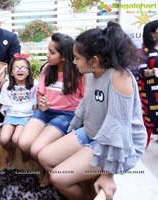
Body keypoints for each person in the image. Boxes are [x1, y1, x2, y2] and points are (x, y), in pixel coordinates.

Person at [38, 22, 147, 200]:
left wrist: (108, 174)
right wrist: (71, 129)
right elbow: (86, 103)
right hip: (92, 131)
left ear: (94, 60)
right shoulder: (90, 72)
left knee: (58, 177)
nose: (73, 62)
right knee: (44, 157)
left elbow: (117, 127)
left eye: (77, 58)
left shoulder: (119, 78)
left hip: (120, 142)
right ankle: (83, 186)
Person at [17, 33, 84, 186]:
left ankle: (49, 171)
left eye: (52, 52)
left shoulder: (77, 73)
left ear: (64, 57)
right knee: (23, 143)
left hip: (67, 115)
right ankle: (44, 165)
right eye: (48, 50)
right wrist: (41, 103)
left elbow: (85, 100)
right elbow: (41, 93)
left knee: (36, 150)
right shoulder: (47, 69)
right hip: (45, 111)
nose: (47, 55)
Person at [0, 53, 38, 166]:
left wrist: (34, 120)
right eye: (16, 68)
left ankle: (25, 152)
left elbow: (35, 104)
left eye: (23, 68)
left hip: (27, 116)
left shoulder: (34, 84)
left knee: (16, 139)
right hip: (11, 115)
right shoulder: (7, 86)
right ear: (11, 72)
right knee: (4, 139)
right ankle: (11, 151)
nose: (19, 70)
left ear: (28, 71)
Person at [138, 20, 158, 146]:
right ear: (152, 33)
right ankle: (144, 141)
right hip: (150, 90)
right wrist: (152, 71)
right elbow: (142, 71)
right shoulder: (145, 50)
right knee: (150, 116)